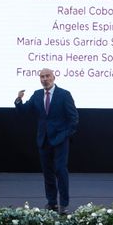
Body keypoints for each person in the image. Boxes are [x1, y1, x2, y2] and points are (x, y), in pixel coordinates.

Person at [13, 68, 78, 211]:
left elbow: (74, 118)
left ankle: (64, 204)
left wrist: (65, 135)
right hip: (43, 140)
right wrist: (18, 100)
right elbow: (24, 111)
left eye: (47, 76)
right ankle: (52, 202)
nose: (45, 79)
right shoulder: (37, 95)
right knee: (48, 173)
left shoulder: (64, 94)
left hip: (60, 140)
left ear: (54, 77)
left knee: (61, 171)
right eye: (42, 77)